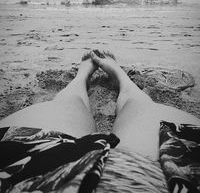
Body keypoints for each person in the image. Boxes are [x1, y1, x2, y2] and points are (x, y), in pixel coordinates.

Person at [0, 50, 200, 192]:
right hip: (162, 175)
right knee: (141, 107)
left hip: (27, 174)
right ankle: (120, 78)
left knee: (68, 103)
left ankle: (81, 78)